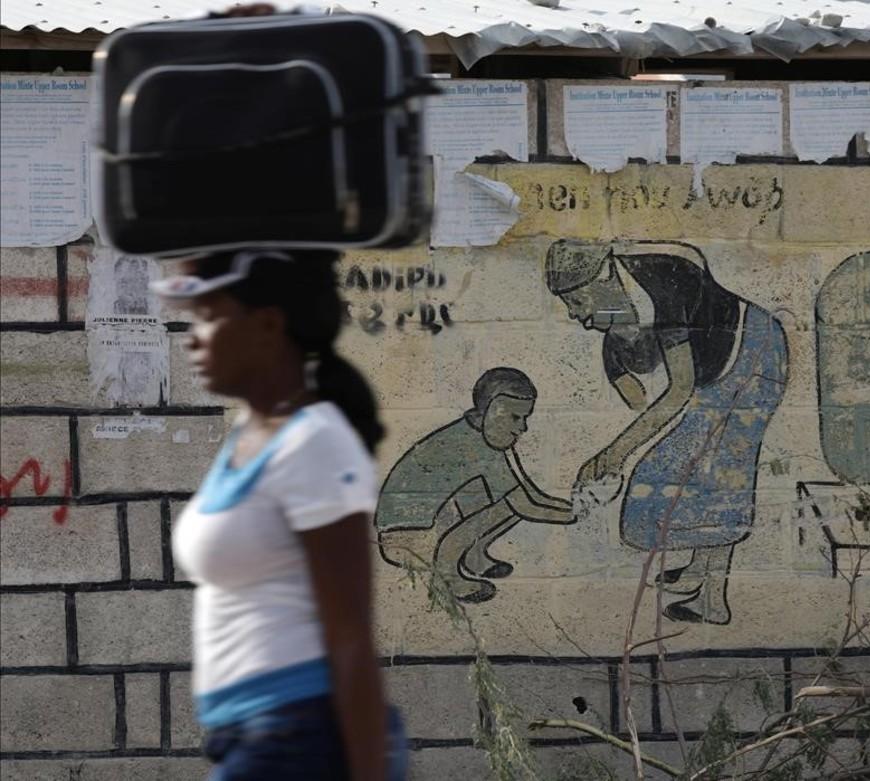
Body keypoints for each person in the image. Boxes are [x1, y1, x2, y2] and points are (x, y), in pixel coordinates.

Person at [154, 249, 405, 781]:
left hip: (293, 737)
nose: (191, 338)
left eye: (208, 316)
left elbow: (350, 632)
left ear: (267, 325)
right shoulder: (253, 435)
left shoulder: (315, 442)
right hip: (247, 733)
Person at [545, 240, 788, 625]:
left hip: (754, 354)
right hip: (721, 369)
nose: (576, 314)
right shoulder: (626, 290)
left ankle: (713, 601)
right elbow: (642, 368)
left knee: (720, 477)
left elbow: (678, 390)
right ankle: (698, 571)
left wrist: (616, 451)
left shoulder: (662, 287)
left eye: (577, 301)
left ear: (604, 277)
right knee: (702, 470)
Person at [376, 367, 573, 603]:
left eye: (525, 418)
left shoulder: (478, 435)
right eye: (515, 417)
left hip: (419, 533)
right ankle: (449, 577)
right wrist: (575, 515)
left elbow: (528, 493)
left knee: (501, 496)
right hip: (407, 542)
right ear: (490, 410)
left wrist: (574, 507)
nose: (522, 428)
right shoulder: (476, 446)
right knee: (509, 504)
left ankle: (473, 556)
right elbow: (524, 504)